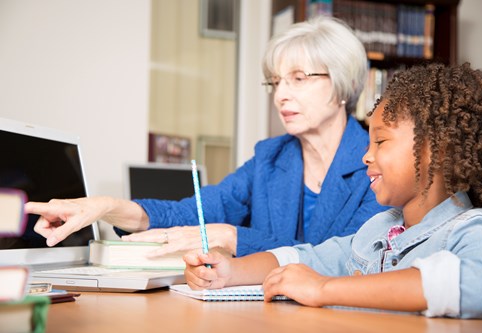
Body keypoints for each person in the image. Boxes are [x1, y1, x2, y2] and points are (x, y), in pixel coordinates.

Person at [25, 16, 386, 257]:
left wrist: (230, 237)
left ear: (342, 84)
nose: (280, 95)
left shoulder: (377, 162)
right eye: (275, 82)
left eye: (298, 78)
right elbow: (191, 212)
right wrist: (103, 207)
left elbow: (347, 259)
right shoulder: (271, 158)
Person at [183, 63, 482, 321]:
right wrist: (229, 272)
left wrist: (324, 289)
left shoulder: (476, 231)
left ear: (438, 151)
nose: (366, 155)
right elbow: (310, 257)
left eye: (381, 141)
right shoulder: (380, 229)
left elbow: (473, 287)